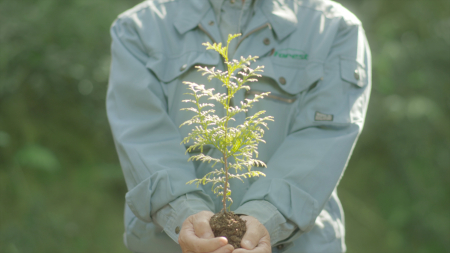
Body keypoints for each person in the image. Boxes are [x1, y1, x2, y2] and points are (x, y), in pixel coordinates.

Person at [106, 0, 371, 252]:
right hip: (169, 245)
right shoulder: (140, 28)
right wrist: (185, 214)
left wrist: (265, 219)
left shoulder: (334, 29)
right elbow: (142, 133)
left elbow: (322, 138)